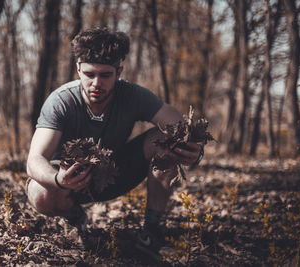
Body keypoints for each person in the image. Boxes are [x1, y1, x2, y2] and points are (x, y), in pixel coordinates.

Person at [26, 28, 203, 254]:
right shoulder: (61, 102)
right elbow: (35, 159)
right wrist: (58, 179)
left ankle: (151, 230)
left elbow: (181, 127)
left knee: (168, 139)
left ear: (118, 72)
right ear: (78, 69)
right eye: (89, 74)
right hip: (65, 183)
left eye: (105, 75)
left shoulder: (132, 95)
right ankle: (74, 216)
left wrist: (196, 151)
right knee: (40, 194)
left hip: (113, 175)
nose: (96, 83)